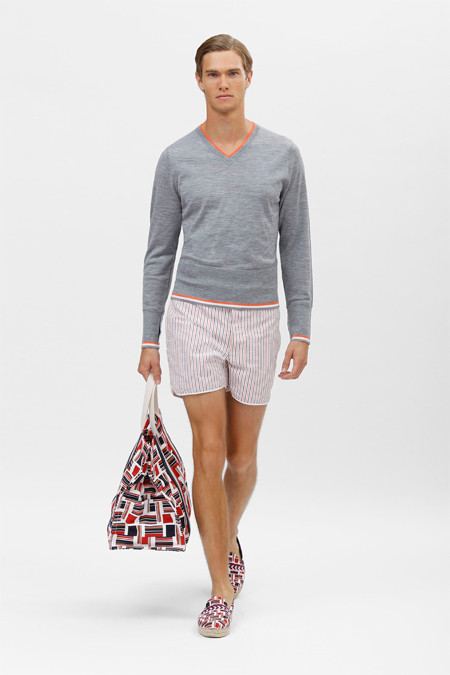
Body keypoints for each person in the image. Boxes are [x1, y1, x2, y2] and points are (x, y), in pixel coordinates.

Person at [137, 33, 313, 638]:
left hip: (259, 318)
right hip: (193, 315)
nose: (222, 83)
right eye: (212, 73)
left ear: (248, 77)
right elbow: (159, 253)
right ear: (198, 81)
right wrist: (150, 336)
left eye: (231, 72)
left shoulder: (283, 155)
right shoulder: (176, 158)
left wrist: (302, 327)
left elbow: (297, 245)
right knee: (207, 453)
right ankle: (220, 587)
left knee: (241, 459)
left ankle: (225, 535)